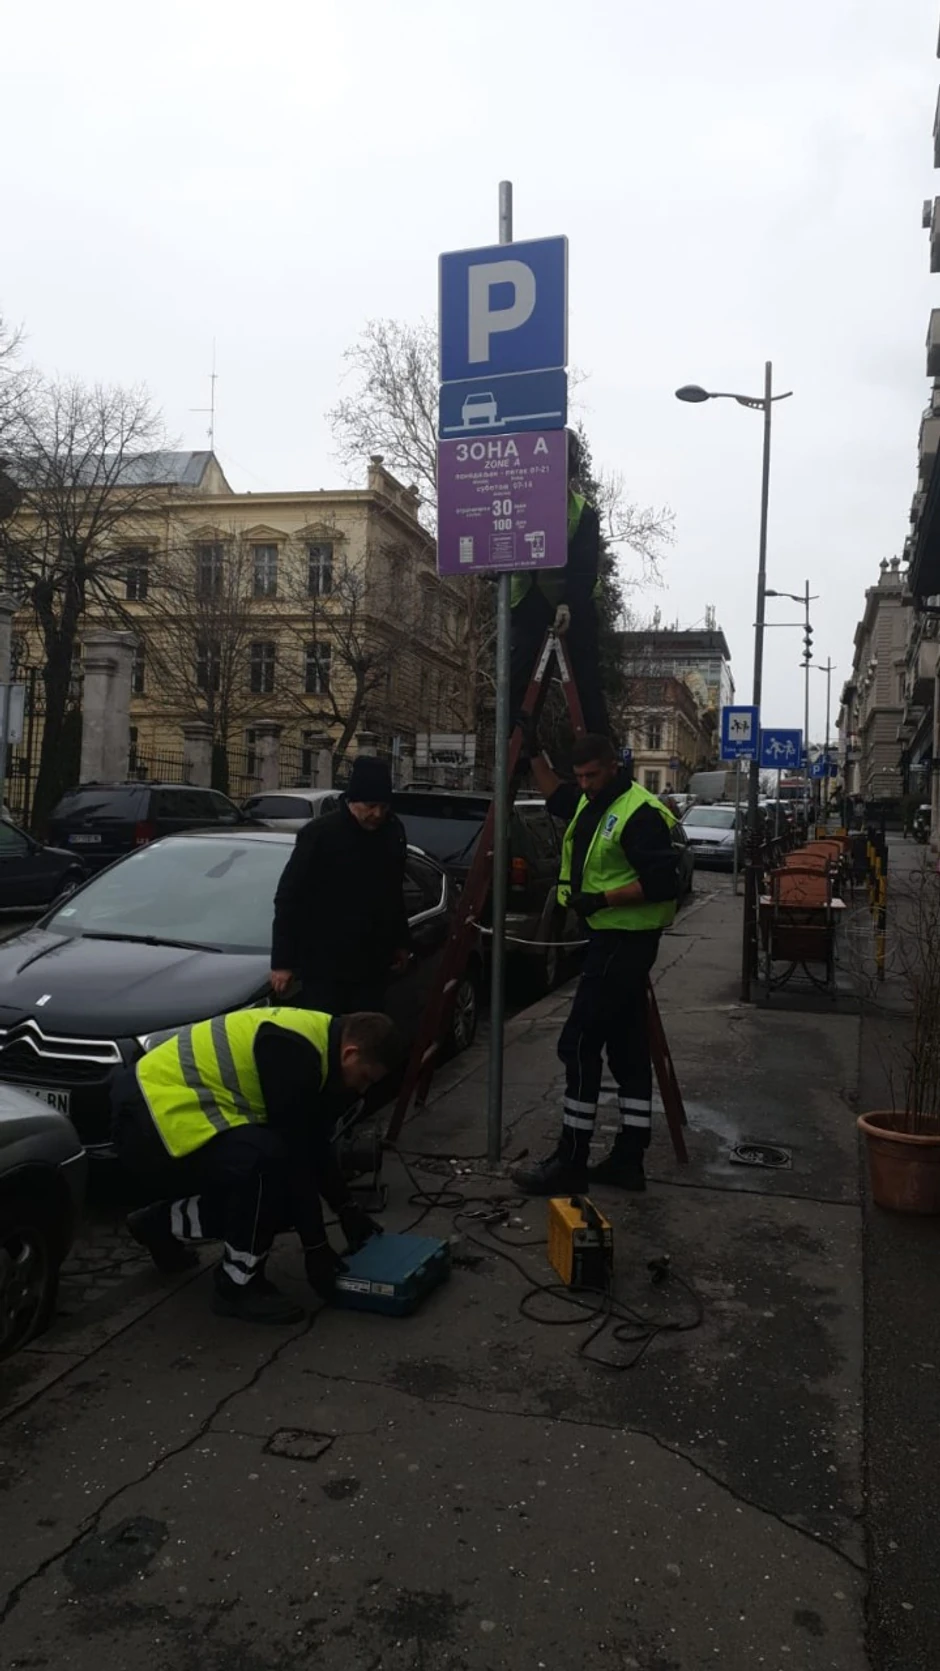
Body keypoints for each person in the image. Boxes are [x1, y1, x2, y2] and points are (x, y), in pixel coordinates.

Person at [114, 1007, 402, 1323]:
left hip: (166, 1108)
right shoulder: (292, 1053)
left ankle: (158, 1224)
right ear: (350, 1053)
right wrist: (316, 1247)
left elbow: (313, 1143)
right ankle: (236, 1286)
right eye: (364, 1078)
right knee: (266, 1166)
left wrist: (347, 1209)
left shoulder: (319, 1044)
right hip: (151, 1118)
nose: (362, 1089)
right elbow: (294, 1158)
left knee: (279, 1196)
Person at [512, 732, 679, 1195]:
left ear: (613, 767)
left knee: (578, 1044)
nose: (584, 784)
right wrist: (534, 755)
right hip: (610, 936)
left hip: (624, 940)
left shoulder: (638, 812)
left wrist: (600, 899)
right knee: (627, 1048)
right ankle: (629, 1158)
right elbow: (557, 795)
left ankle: (571, 1160)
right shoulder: (593, 800)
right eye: (579, 777)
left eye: (592, 776)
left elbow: (662, 882)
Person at [270, 756, 410, 1011]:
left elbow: (394, 892)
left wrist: (401, 942)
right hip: (325, 967)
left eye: (384, 806)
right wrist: (282, 962)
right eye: (370, 806)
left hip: (373, 966)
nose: (377, 814)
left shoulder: (392, 831)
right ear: (352, 801)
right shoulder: (320, 834)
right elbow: (289, 896)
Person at [509, 431, 611, 738]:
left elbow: (583, 568)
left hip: (575, 603)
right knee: (519, 678)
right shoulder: (520, 504)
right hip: (529, 598)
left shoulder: (582, 513)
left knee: (585, 678)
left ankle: (597, 740)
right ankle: (517, 741)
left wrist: (568, 603)